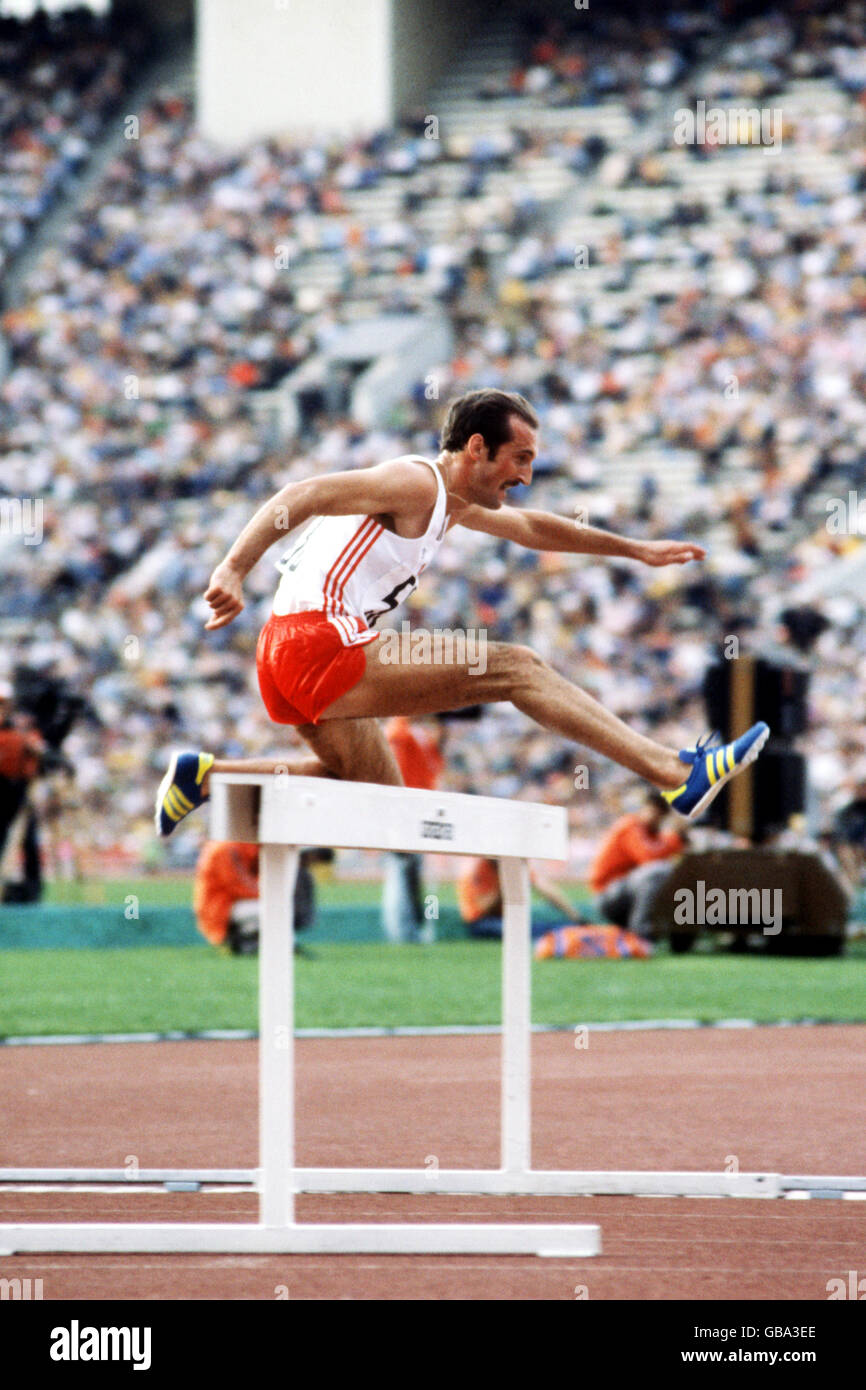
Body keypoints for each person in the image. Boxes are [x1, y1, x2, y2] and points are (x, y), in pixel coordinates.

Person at [155, 389, 769, 835]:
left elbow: (531, 528)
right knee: (517, 667)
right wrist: (233, 567)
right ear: (476, 447)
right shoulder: (416, 484)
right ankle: (671, 771)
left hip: (289, 653)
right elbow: (301, 495)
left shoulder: (451, 503)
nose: (526, 476)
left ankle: (207, 776)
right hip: (318, 641)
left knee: (379, 803)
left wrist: (632, 549)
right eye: (519, 458)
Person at [588, 790, 687, 939]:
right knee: (657, 872)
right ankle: (640, 934)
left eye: (659, 813)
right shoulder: (630, 825)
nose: (655, 817)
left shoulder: (652, 834)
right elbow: (648, 858)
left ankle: (675, 931)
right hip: (608, 894)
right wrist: (675, 838)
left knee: (671, 872)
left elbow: (661, 848)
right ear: (644, 808)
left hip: (625, 893)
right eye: (652, 810)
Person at [193, 840, 317, 955]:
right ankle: (287, 946)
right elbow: (238, 886)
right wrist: (275, 895)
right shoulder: (226, 847)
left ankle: (247, 942)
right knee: (277, 909)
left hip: (231, 904)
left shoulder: (236, 844)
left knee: (273, 910)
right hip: (220, 908)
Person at [381, 716, 444, 943]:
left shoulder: (412, 732)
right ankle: (405, 930)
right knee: (405, 871)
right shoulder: (401, 732)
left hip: (415, 808)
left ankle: (414, 928)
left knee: (411, 872)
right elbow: (397, 772)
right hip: (409, 809)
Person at [0, 680, 47, 902]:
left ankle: (31, 890)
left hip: (18, 792)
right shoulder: (16, 734)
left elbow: (37, 752)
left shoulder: (21, 730)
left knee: (27, 839)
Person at [457, 855, 578, 939]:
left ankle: (568, 928)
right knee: (520, 930)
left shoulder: (509, 864)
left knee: (525, 927)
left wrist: (574, 916)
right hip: (480, 922)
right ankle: (559, 933)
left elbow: (545, 890)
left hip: (502, 917)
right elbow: (483, 907)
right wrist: (507, 883)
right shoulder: (478, 868)